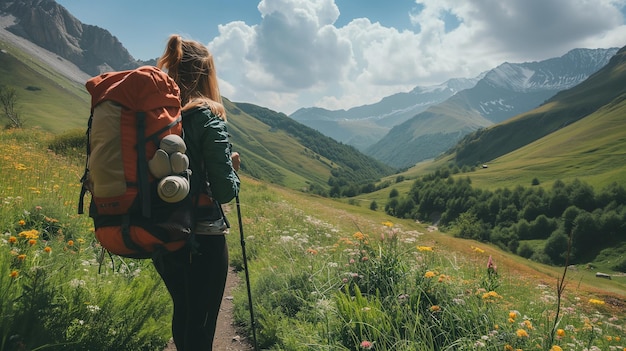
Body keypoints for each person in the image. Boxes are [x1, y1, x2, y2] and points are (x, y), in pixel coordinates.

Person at [153, 34, 241, 351]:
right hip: (203, 234)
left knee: (184, 310)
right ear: (205, 74)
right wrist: (232, 168)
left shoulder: (158, 116)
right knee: (202, 323)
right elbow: (225, 190)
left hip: (162, 230)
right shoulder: (206, 116)